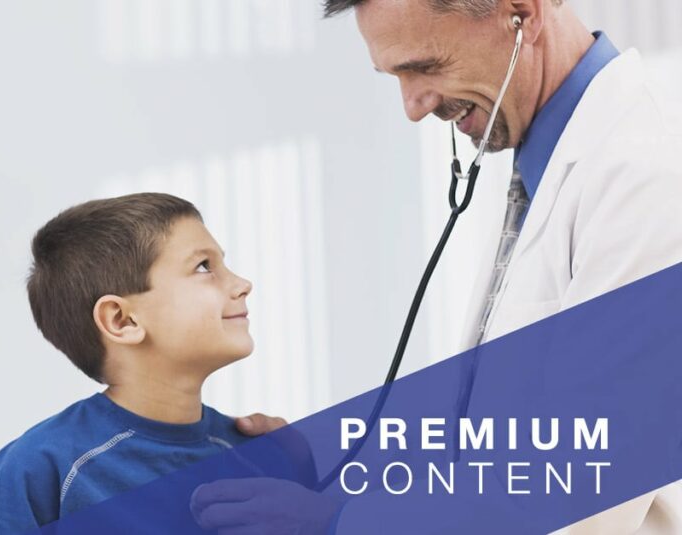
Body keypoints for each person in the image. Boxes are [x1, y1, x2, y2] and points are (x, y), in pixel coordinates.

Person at [193, 0, 682, 532]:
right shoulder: (546, 157)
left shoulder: (648, 174)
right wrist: (324, 477)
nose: (413, 106)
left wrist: (335, 521)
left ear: (523, 13)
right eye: (394, 76)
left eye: (425, 67)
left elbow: (583, 491)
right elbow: (503, 448)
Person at [0, 193, 310, 534]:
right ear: (122, 320)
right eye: (204, 267)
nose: (242, 284)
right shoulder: (41, 467)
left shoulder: (258, 457)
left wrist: (309, 480)